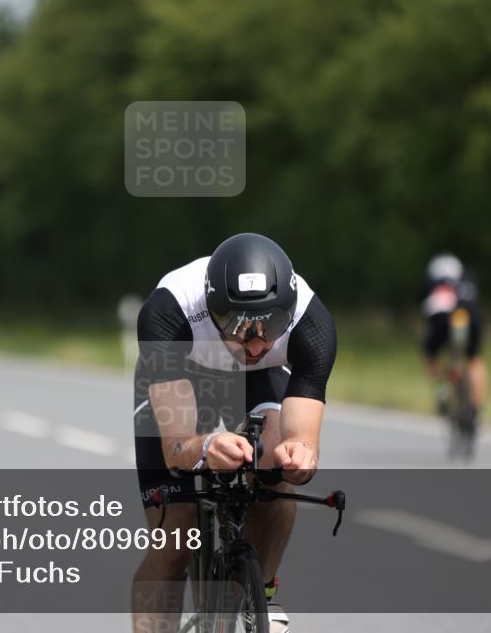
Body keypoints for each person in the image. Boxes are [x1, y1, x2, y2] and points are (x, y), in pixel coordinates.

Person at [132, 233, 337, 633]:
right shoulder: (167, 313)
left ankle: (260, 595)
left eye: (272, 325)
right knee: (176, 538)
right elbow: (177, 448)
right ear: (212, 310)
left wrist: (300, 455)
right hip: (182, 372)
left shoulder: (312, 324)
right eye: (242, 327)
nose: (258, 342)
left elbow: (302, 438)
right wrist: (207, 445)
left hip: (261, 381)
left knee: (277, 472)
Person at [421, 253, 488, 426]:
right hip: (472, 317)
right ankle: (475, 408)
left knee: (431, 356)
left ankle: (442, 396)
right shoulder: (468, 281)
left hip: (444, 319)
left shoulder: (434, 284)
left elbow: (431, 313)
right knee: (474, 359)